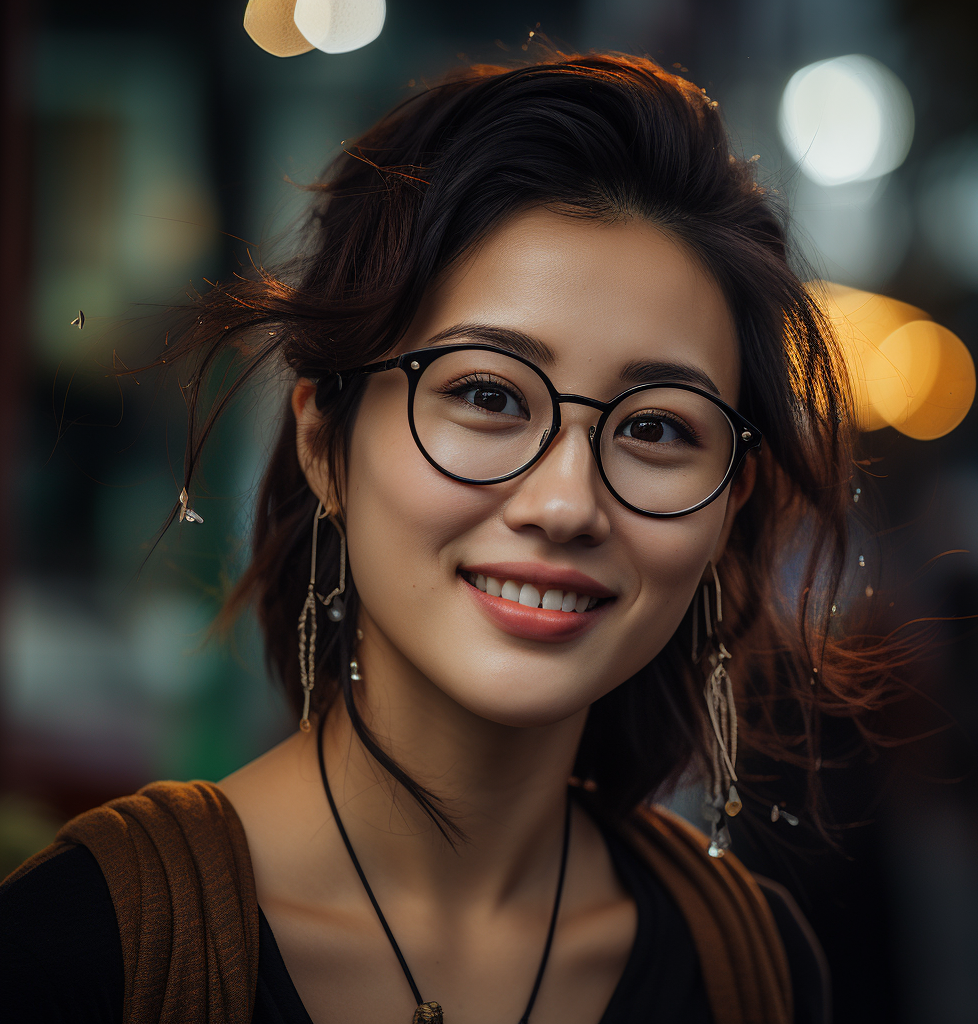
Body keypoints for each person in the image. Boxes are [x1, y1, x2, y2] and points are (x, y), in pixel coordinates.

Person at [1, 52, 898, 1023]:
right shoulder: (75, 952)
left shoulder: (749, 973)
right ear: (323, 441)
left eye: (654, 428)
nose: (565, 504)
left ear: (730, 506)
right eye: (486, 395)